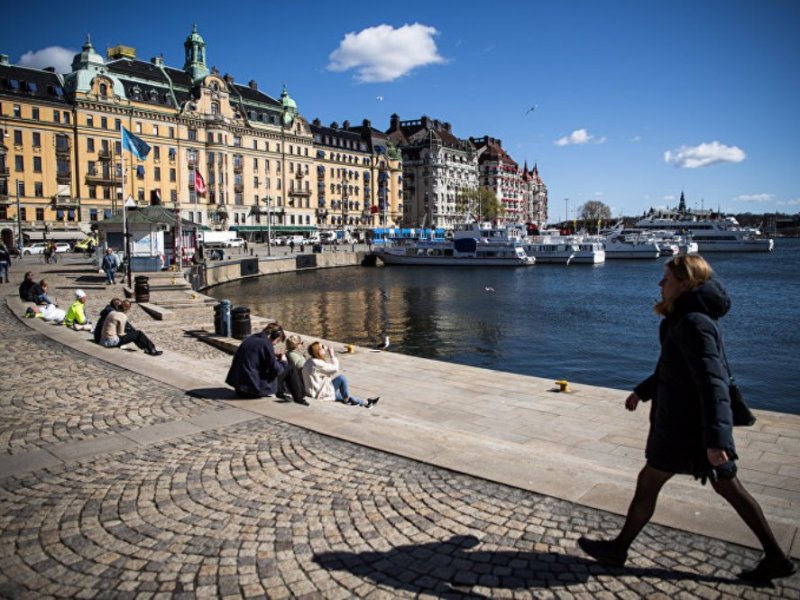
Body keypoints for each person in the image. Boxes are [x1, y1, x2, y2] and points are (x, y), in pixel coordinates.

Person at [577, 255, 795, 582]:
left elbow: (713, 384)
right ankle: (777, 557)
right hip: (687, 426)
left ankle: (619, 548)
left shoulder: (693, 323)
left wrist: (717, 442)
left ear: (685, 282)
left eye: (666, 278)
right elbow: (673, 367)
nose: (660, 284)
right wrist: (643, 391)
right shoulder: (683, 320)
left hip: (686, 429)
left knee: (652, 482)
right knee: (728, 488)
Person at [301, 341, 379, 408]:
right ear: (319, 351)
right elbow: (335, 368)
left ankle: (366, 402)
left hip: (315, 390)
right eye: (322, 347)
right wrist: (332, 355)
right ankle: (349, 400)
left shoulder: (310, 361)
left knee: (342, 395)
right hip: (320, 392)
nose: (324, 348)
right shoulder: (317, 363)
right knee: (342, 378)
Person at [225, 322, 288, 398]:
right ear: (274, 336)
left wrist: (273, 355)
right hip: (252, 389)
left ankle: (283, 395)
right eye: (277, 341)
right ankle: (295, 398)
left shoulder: (251, 338)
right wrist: (283, 361)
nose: (275, 344)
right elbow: (275, 368)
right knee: (289, 368)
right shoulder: (266, 344)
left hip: (239, 387)